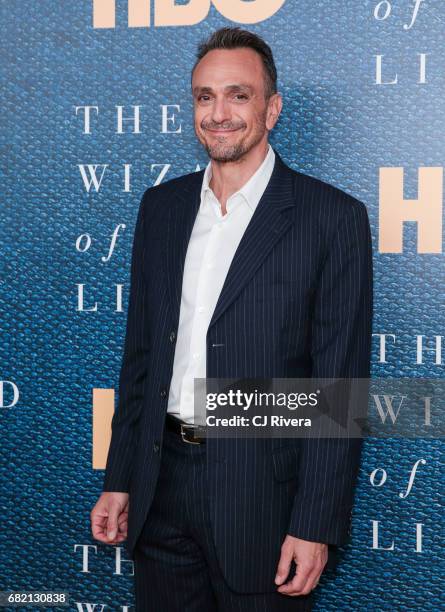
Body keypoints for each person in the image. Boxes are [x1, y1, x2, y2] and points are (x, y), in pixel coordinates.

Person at [91, 26, 373, 611]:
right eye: (204, 96)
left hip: (263, 499)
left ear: (272, 109)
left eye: (238, 96)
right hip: (160, 486)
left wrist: (314, 522)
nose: (218, 114)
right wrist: (120, 478)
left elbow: (338, 390)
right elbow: (142, 356)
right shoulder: (161, 208)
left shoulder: (332, 218)